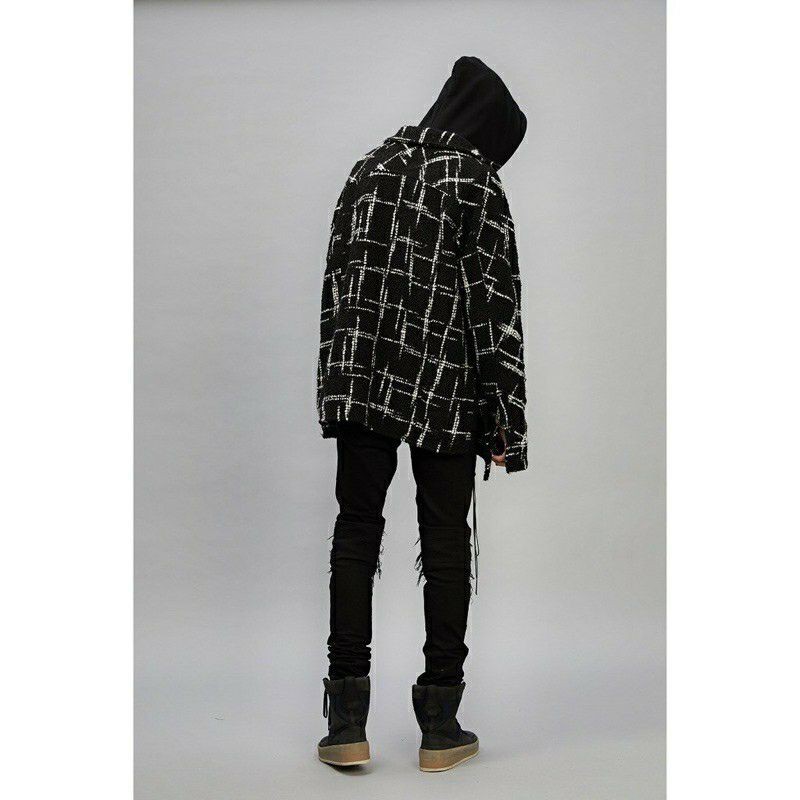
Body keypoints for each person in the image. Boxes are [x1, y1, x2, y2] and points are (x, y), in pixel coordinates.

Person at [315, 56, 528, 772]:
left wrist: (337, 390)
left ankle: (345, 721)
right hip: (447, 385)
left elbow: (337, 284)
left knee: (356, 531)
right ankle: (440, 724)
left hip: (362, 380)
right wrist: (505, 421)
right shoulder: (476, 182)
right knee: (444, 544)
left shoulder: (368, 167)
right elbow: (495, 312)